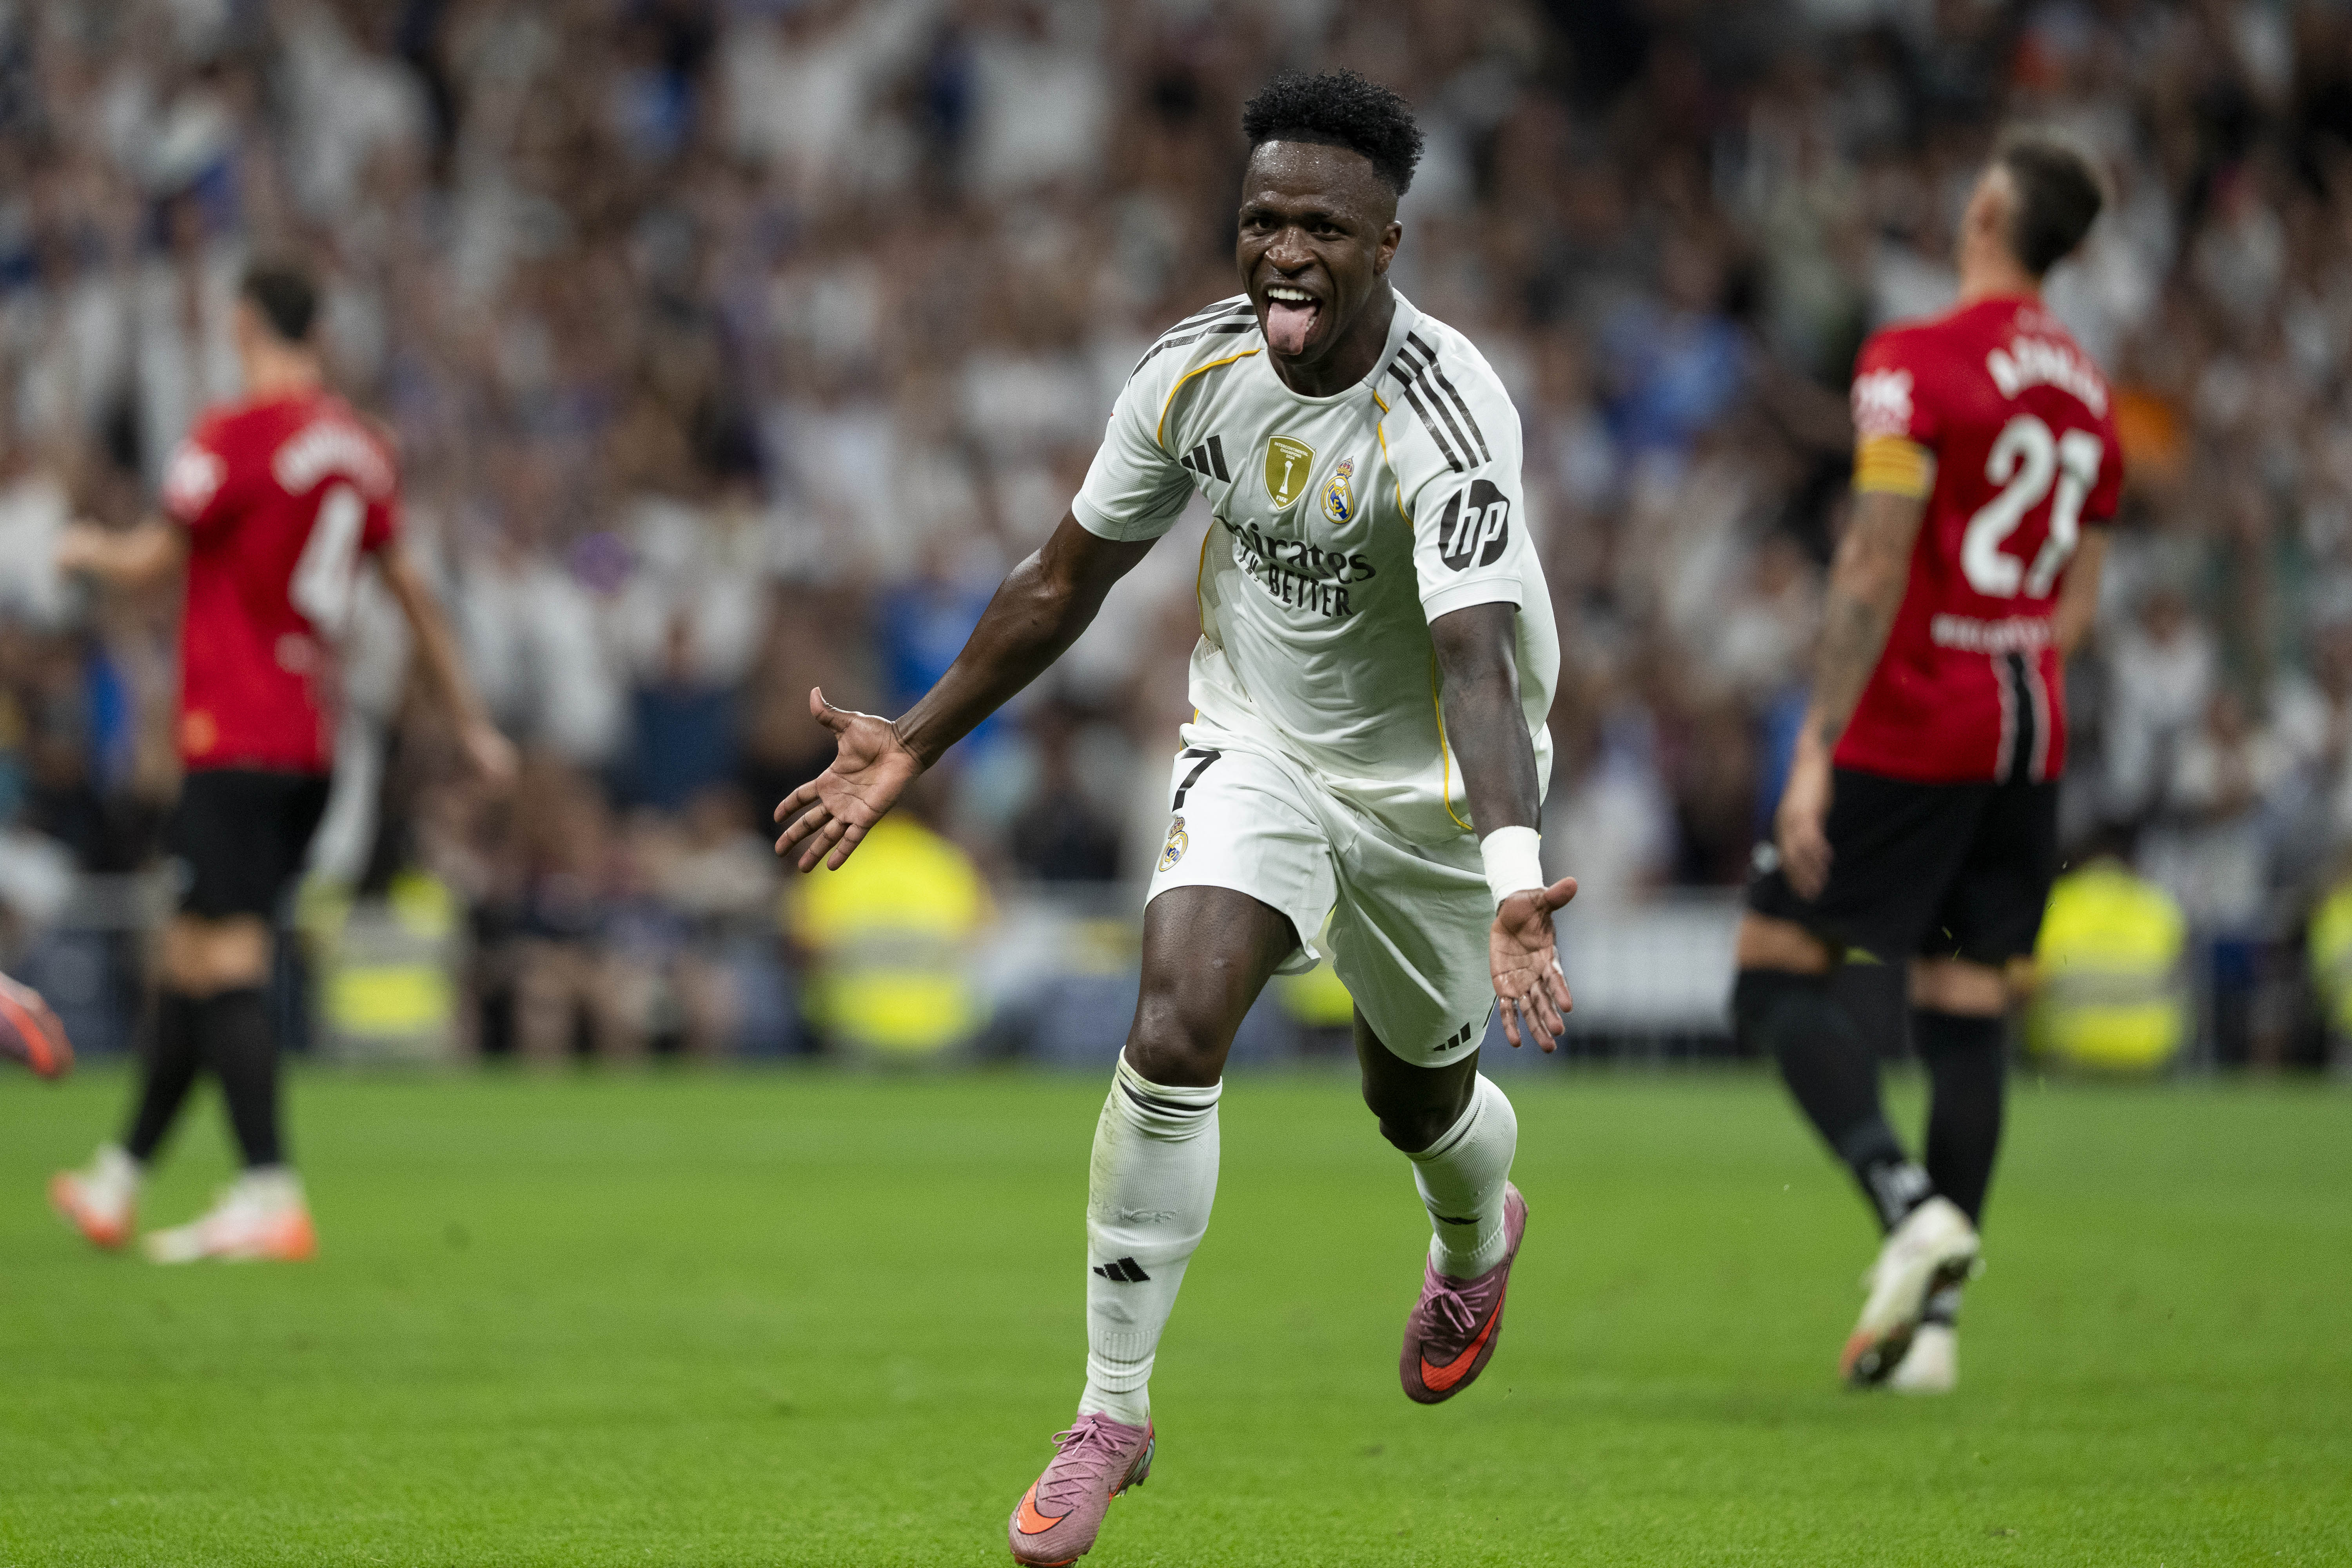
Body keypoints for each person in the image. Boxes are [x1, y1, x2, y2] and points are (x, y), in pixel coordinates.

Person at [771, 71, 1571, 1566]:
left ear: (1388, 243)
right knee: (1175, 1019)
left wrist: (1514, 874)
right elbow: (1062, 580)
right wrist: (913, 746)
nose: (1284, 253)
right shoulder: (1192, 374)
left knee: (1417, 1105)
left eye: (1321, 227)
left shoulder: (1450, 414)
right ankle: (1111, 1412)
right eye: (1262, 221)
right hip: (1257, 744)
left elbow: (1475, 660)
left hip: (1432, 796)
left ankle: (1477, 1234)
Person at [1732, 131, 2122, 1394]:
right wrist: (2009, 659)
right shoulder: (2089, 392)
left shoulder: (1912, 361)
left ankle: (1910, 1209)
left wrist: (1816, 748)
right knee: (1967, 1006)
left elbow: (1871, 560)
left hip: (1919, 720)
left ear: (1991, 212)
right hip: (2030, 727)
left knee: (1771, 976)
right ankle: (1935, 1339)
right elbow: (2075, 605)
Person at [46, 261, 515, 1262]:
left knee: (227, 959)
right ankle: (117, 1179)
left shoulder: (233, 435)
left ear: (245, 322)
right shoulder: (363, 447)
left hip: (234, 733)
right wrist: (471, 720)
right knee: (188, 953)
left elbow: (156, 555)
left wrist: (87, 548)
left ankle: (269, 1190)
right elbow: (414, 592)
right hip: (312, 741)